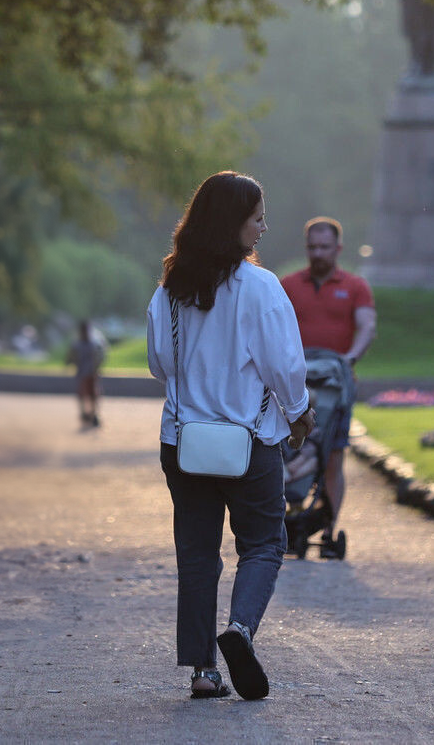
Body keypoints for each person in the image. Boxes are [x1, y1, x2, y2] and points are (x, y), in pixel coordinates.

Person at [146, 171, 316, 700]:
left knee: (197, 554)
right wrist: (300, 413)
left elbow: (160, 365)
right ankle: (239, 631)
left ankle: (202, 670)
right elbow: (283, 367)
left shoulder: (171, 292)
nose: (264, 227)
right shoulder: (261, 288)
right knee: (264, 544)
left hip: (185, 442)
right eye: (258, 217)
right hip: (250, 442)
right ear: (232, 222)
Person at [279, 217, 376, 557]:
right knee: (287, 451)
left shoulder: (355, 286)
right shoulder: (288, 284)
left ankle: (328, 526)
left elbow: (366, 326)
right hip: (293, 384)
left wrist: (350, 357)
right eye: (312, 247)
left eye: (325, 247)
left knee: (332, 458)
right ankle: (288, 520)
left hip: (337, 384)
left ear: (338, 248)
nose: (318, 253)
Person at [66, 319, 106, 428]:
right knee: (83, 394)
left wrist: (96, 367)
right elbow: (71, 357)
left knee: (92, 394)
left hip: (91, 373)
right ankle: (85, 412)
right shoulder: (78, 344)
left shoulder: (93, 344)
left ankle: (93, 414)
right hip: (83, 373)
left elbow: (99, 357)